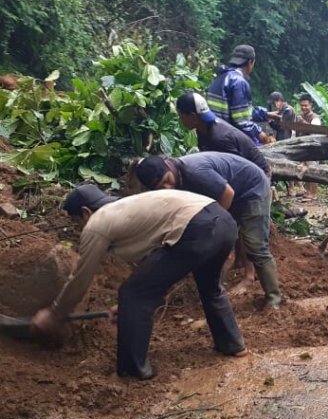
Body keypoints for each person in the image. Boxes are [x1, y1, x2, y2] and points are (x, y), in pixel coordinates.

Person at [31, 185, 246, 380]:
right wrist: (126, 309)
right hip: (223, 222)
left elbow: (80, 277)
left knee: (134, 293)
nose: (79, 228)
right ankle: (232, 344)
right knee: (210, 288)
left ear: (86, 212)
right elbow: (155, 268)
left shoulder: (97, 223)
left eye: (77, 222)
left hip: (197, 227)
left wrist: (55, 313)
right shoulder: (128, 210)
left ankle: (133, 371)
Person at [135, 152, 283, 310]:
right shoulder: (177, 177)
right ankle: (215, 289)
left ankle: (274, 299)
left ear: (168, 166)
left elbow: (227, 193)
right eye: (161, 187)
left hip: (252, 188)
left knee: (255, 244)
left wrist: (216, 224)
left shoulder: (194, 171)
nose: (167, 187)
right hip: (233, 191)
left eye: (167, 181)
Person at [176, 91, 271, 295]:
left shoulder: (220, 137)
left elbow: (237, 173)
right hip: (237, 180)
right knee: (234, 221)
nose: (180, 119)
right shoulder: (204, 129)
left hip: (254, 178)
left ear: (191, 116)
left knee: (245, 225)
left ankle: (249, 275)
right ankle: (238, 261)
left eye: (181, 115)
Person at [207, 44, 270, 145]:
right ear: (250, 62)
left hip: (213, 134)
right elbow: (241, 120)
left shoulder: (220, 76)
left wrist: (265, 114)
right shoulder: (238, 82)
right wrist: (259, 133)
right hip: (228, 139)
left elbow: (239, 110)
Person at [298, 94, 322, 198]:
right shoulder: (300, 116)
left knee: (313, 169)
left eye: (306, 105)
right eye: (302, 105)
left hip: (313, 147)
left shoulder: (315, 118)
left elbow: (315, 132)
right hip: (302, 147)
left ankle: (313, 194)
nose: (304, 107)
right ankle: (308, 192)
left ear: (311, 105)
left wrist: (302, 122)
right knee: (305, 170)